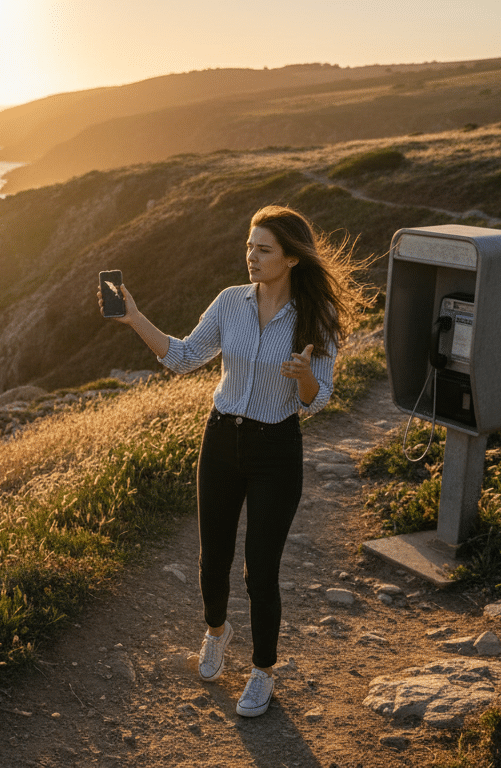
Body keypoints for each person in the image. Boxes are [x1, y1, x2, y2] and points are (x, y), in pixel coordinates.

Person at [98, 205, 358, 717]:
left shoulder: (315, 317)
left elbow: (318, 398)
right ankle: (216, 632)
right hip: (220, 441)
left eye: (263, 250)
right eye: (248, 247)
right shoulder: (229, 303)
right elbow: (183, 357)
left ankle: (263, 671)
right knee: (211, 559)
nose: (251, 257)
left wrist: (304, 375)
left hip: (276, 451)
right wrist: (133, 317)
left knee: (260, 571)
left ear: (290, 258)